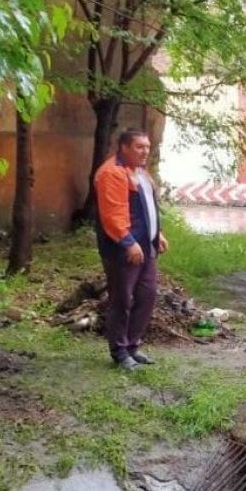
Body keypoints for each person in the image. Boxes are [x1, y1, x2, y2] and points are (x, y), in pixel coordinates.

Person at [94, 128, 169, 370]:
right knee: (122, 299)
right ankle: (119, 351)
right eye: (139, 147)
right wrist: (128, 242)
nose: (145, 151)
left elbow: (146, 209)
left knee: (147, 296)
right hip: (122, 249)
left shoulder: (140, 173)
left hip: (145, 247)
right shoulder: (112, 173)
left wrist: (157, 235)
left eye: (147, 147)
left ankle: (133, 345)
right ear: (124, 147)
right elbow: (112, 214)